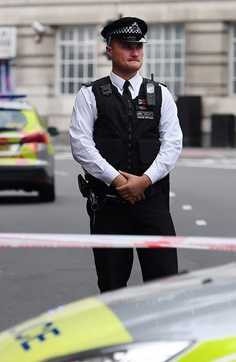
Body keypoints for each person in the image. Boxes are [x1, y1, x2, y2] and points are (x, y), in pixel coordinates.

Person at [69, 16, 183, 293]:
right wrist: (118, 181)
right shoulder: (90, 94)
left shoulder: (160, 94)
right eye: (127, 46)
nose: (134, 52)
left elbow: (172, 144)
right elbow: (81, 144)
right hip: (108, 206)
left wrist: (144, 181)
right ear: (110, 49)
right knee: (112, 288)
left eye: (139, 46)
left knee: (164, 285)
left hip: (152, 204)